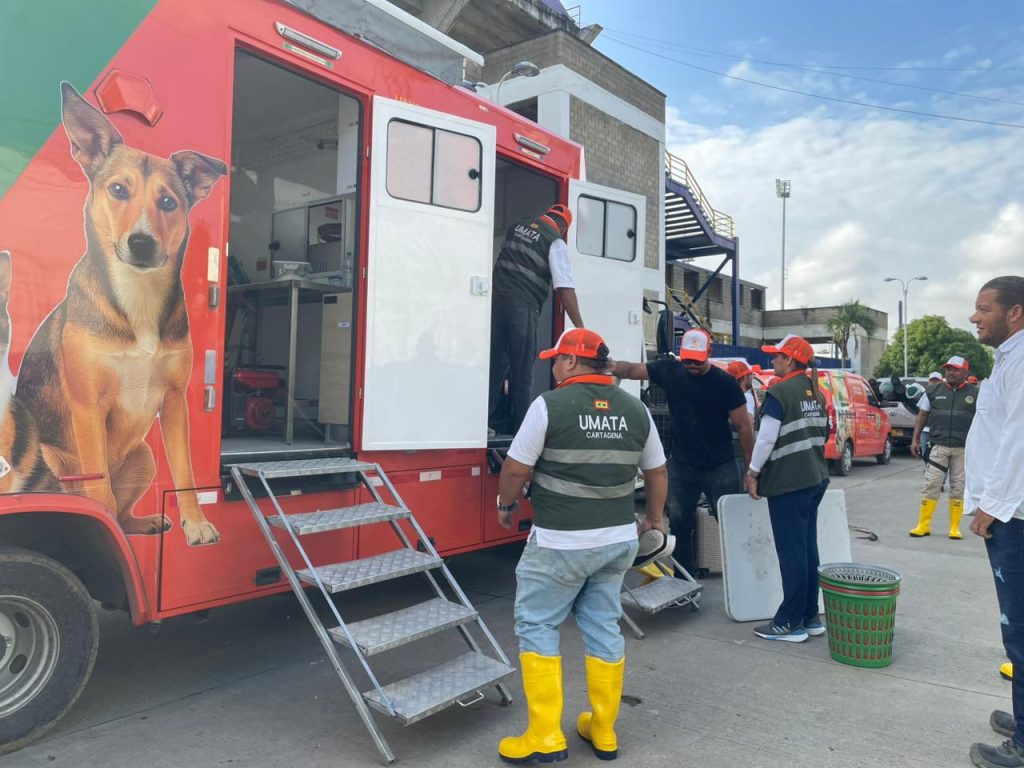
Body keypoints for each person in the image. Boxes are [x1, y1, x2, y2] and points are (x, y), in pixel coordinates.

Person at [495, 328, 667, 764]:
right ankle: (603, 729)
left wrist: (505, 504)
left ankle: (545, 736)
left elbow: (515, 469)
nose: (552, 366)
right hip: (616, 543)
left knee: (537, 624)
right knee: (603, 626)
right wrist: (653, 519)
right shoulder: (636, 410)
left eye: (556, 359)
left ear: (572, 362)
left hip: (559, 543)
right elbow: (658, 471)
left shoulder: (548, 406)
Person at [610, 329, 753, 575]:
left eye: (697, 360)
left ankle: (745, 576)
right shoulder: (670, 371)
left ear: (708, 353)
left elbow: (744, 426)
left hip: (720, 465)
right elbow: (631, 370)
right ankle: (685, 579)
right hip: (683, 465)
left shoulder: (725, 383)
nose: (692, 365)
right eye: (687, 359)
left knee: (731, 523)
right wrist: (609, 365)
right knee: (678, 523)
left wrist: (750, 471)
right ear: (681, 355)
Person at [964, 276, 1024, 768]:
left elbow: (1019, 442)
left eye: (984, 308)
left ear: (1015, 312)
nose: (974, 316)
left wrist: (990, 505)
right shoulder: (1009, 358)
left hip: (1015, 516)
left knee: (1020, 630)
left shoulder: (1022, 360)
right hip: (1010, 511)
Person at [743, 335, 830, 643]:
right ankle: (809, 615)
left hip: (790, 483)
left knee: (792, 553)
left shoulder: (779, 392)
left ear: (790, 360)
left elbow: (766, 439)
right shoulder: (816, 392)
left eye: (777, 357)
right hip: (816, 478)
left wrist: (753, 473)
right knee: (807, 549)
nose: (773, 361)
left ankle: (789, 622)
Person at [489, 204, 583, 435]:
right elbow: (564, 288)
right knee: (522, 369)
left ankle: (483, 421)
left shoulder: (517, 226)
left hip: (495, 301)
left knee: (495, 365)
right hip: (522, 306)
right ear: (563, 228)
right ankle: (524, 431)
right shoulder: (554, 241)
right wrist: (580, 327)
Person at [908, 356, 978, 539]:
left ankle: (954, 528)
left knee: (958, 487)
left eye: (955, 369)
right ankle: (923, 525)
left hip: (963, 449)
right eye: (948, 369)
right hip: (938, 446)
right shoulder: (932, 391)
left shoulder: (975, 393)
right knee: (931, 484)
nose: (950, 373)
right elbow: (922, 415)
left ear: (965, 372)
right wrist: (915, 440)